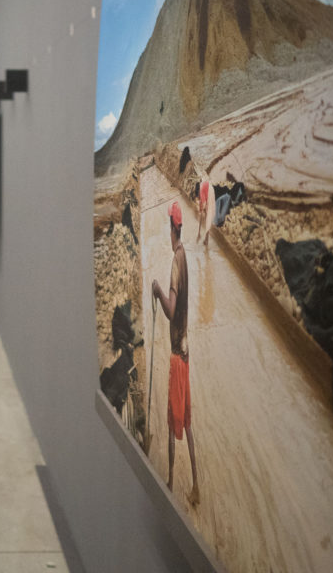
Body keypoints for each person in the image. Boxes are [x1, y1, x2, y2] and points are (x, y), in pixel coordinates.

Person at [152, 201, 200, 505]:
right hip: (186, 349)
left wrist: (157, 290)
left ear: (172, 227)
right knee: (188, 422)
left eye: (168, 226)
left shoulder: (173, 264)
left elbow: (171, 310)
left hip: (175, 355)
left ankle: (170, 482)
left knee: (172, 421)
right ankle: (196, 487)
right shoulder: (184, 257)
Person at [195, 179, 215, 246]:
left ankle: (206, 240)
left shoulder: (201, 190)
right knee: (207, 215)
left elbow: (203, 204)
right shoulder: (201, 189)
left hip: (210, 192)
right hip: (210, 190)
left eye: (198, 196)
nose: (198, 197)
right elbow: (202, 206)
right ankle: (206, 239)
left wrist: (202, 210)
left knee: (208, 216)